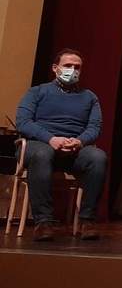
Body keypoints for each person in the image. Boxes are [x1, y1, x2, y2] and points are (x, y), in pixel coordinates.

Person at [16, 48, 107, 241]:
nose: (72, 70)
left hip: (73, 149)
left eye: (77, 67)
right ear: (55, 68)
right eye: (68, 66)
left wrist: (79, 141)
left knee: (98, 157)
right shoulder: (37, 92)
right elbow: (23, 122)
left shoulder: (90, 97)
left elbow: (94, 127)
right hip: (40, 144)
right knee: (43, 154)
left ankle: (87, 220)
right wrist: (50, 139)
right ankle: (44, 222)